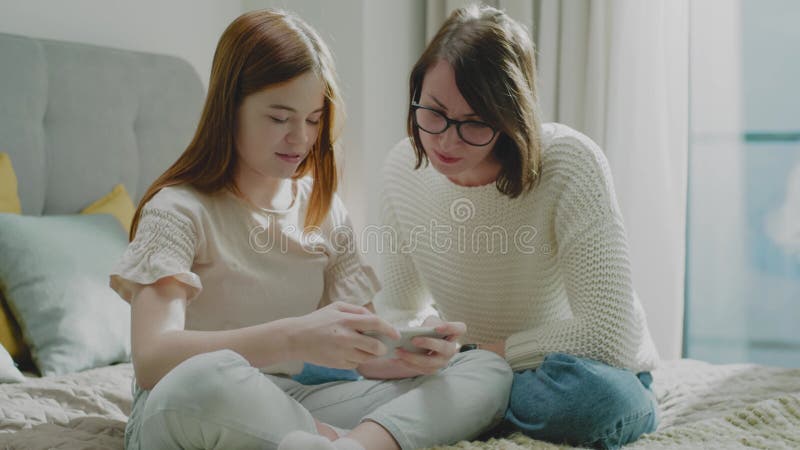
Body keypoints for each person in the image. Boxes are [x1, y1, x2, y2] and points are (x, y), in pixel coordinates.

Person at [110, 9, 512, 450]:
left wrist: (403, 355)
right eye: (280, 118)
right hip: (191, 405)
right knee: (207, 376)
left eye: (314, 119)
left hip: (296, 403)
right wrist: (293, 337)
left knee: (484, 371)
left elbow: (365, 355)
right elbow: (151, 361)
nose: (300, 139)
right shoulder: (178, 210)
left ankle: (355, 445)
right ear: (230, 109)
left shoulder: (324, 211)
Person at [375, 5, 661, 449]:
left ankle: (464, 405)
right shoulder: (401, 168)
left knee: (598, 403)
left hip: (572, 369)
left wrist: (479, 356)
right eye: (432, 112)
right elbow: (397, 307)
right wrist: (418, 341)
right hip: (471, 369)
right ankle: (471, 401)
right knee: (323, 360)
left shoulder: (569, 162)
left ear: (509, 119)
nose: (446, 140)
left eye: (474, 123)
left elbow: (608, 333)